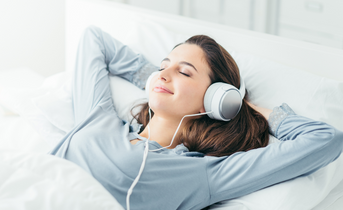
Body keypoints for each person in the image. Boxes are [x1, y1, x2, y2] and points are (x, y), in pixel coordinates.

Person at [50, 26, 343, 210]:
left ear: (214, 100)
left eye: (185, 71)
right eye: (164, 66)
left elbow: (326, 140)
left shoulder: (202, 174)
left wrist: (243, 106)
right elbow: (94, 39)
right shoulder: (97, 115)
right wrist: (156, 80)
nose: (164, 73)